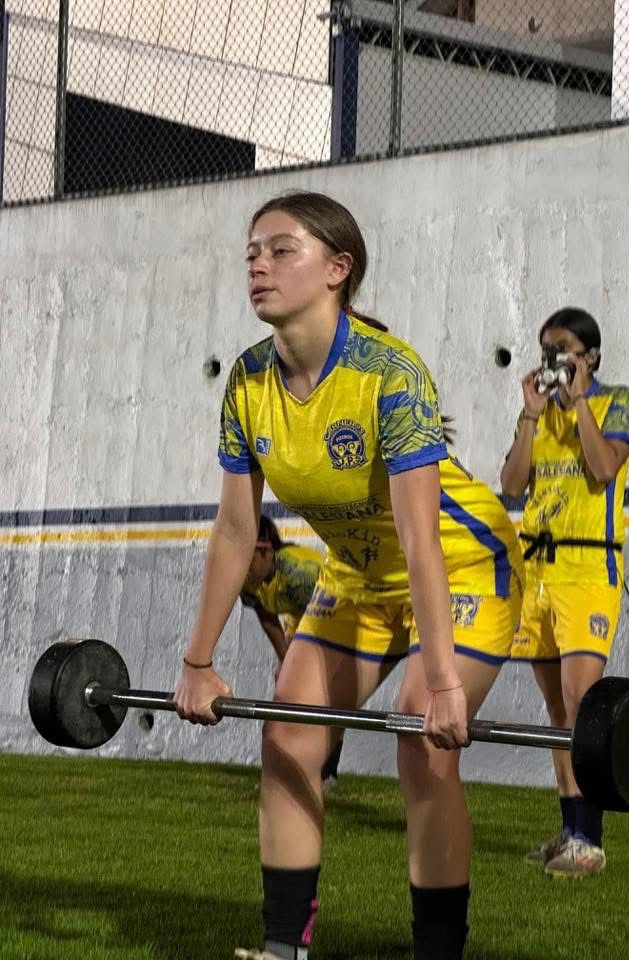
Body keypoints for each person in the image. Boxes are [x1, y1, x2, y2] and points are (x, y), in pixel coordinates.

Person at [174, 191, 524, 960]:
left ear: (338, 270)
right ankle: (284, 948)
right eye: (251, 253)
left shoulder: (389, 374)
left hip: (462, 564)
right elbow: (237, 530)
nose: (258, 265)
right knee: (289, 736)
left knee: (422, 745)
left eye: (281, 250)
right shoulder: (248, 383)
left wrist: (441, 683)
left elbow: (419, 538)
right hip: (359, 578)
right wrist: (198, 663)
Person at [501, 307, 629, 879]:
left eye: (563, 351)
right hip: (537, 573)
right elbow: (511, 485)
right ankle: (570, 830)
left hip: (588, 569)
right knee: (557, 709)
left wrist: (580, 401)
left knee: (583, 702)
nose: (552, 362)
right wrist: (531, 418)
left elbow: (604, 468)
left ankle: (591, 838)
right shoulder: (538, 412)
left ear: (591, 357)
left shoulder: (617, 402)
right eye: (546, 351)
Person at [241, 515, 342, 787]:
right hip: (300, 618)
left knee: (325, 696)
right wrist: (285, 658)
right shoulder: (245, 577)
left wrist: (299, 664)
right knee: (287, 692)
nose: (241, 568)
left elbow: (323, 622)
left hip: (337, 617)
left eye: (247, 559)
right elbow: (267, 617)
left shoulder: (301, 572)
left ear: (266, 550)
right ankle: (285, 772)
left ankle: (325, 773)